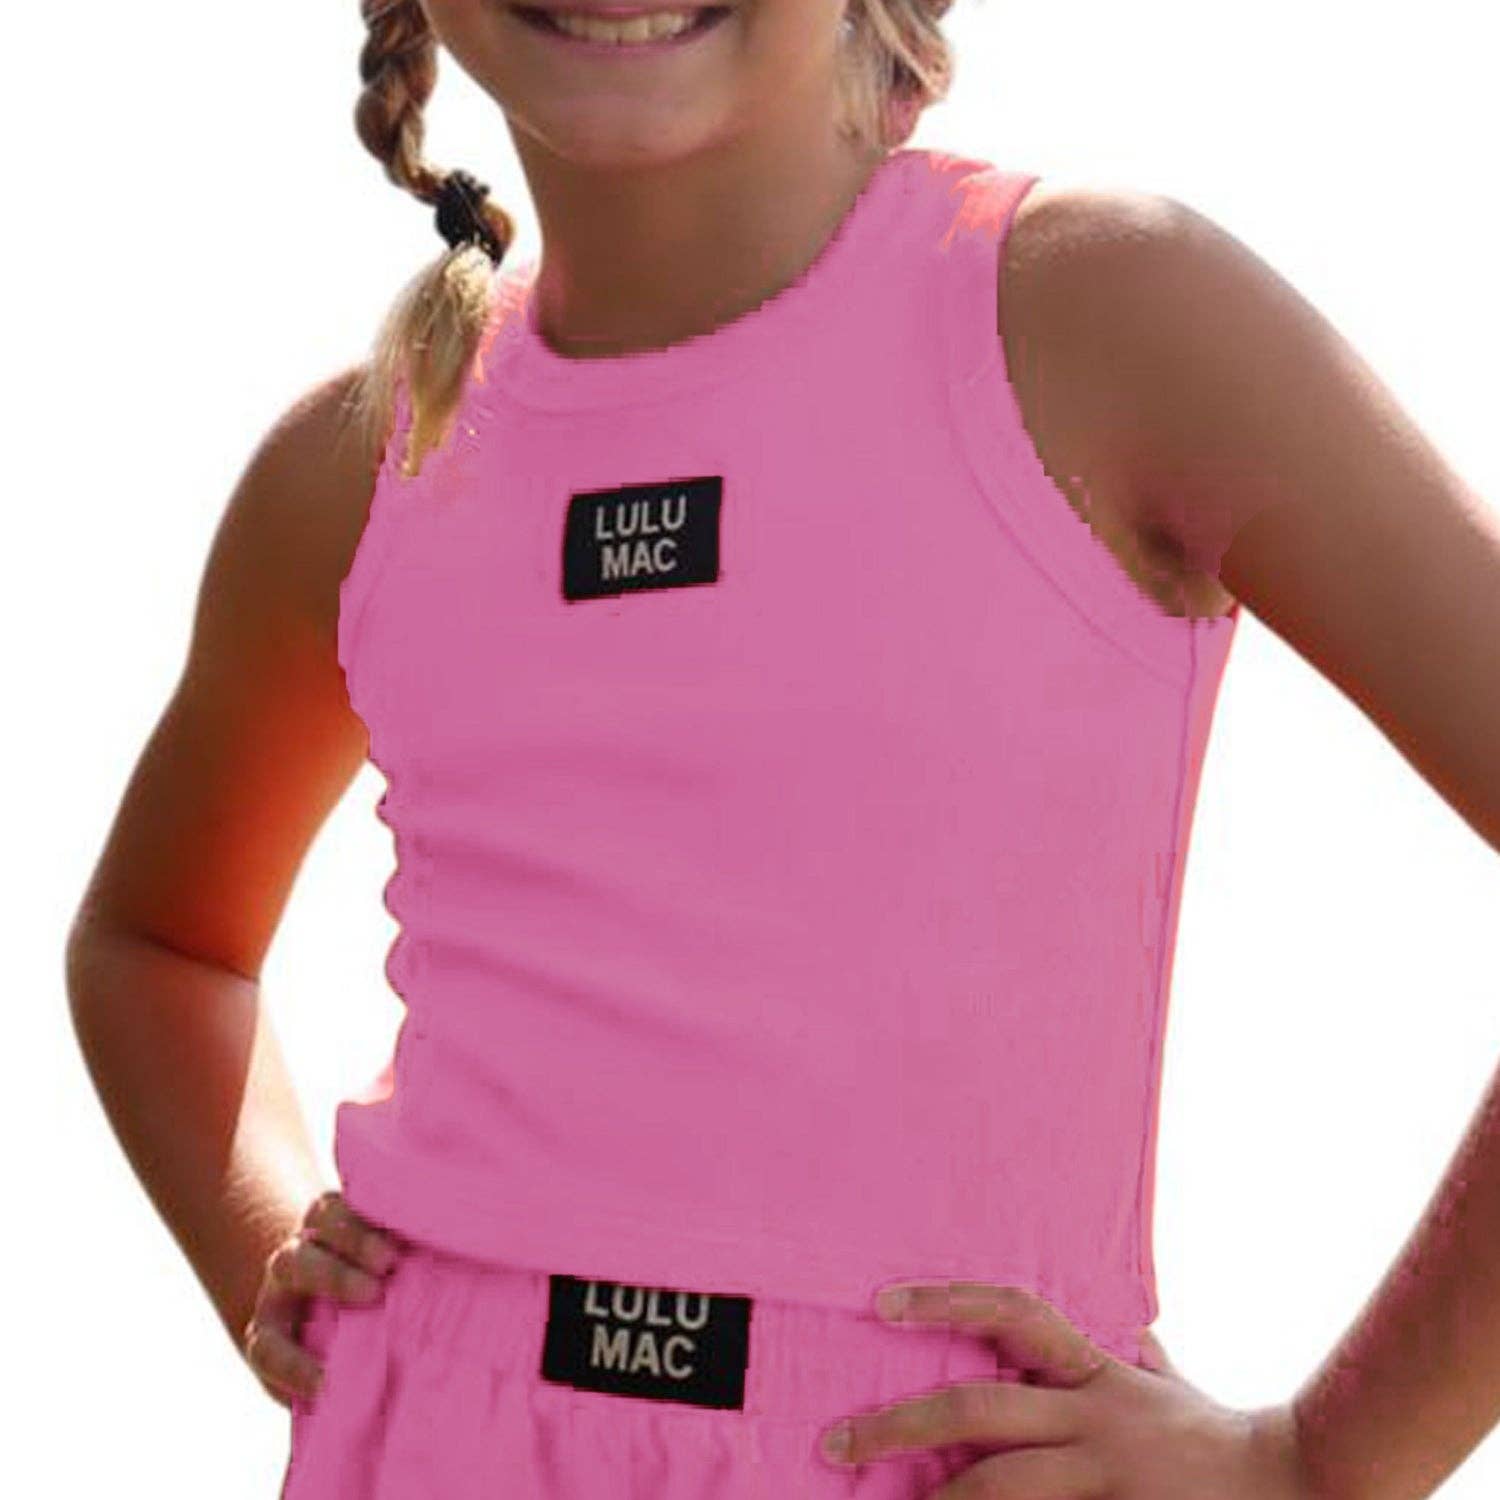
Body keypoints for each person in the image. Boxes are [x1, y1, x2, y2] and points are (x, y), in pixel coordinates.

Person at [63, 2, 1500, 1497]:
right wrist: (276, 1264)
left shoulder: (1106, 320)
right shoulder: (360, 467)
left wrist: (1317, 1464)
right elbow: (157, 948)